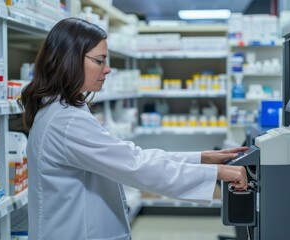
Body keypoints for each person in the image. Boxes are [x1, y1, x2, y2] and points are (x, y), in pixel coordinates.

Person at [18, 17, 248, 240]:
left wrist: (201, 158)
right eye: (99, 61)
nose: (107, 70)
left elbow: (131, 157)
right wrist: (215, 173)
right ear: (70, 59)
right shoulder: (67, 121)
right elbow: (136, 167)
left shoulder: (62, 110)